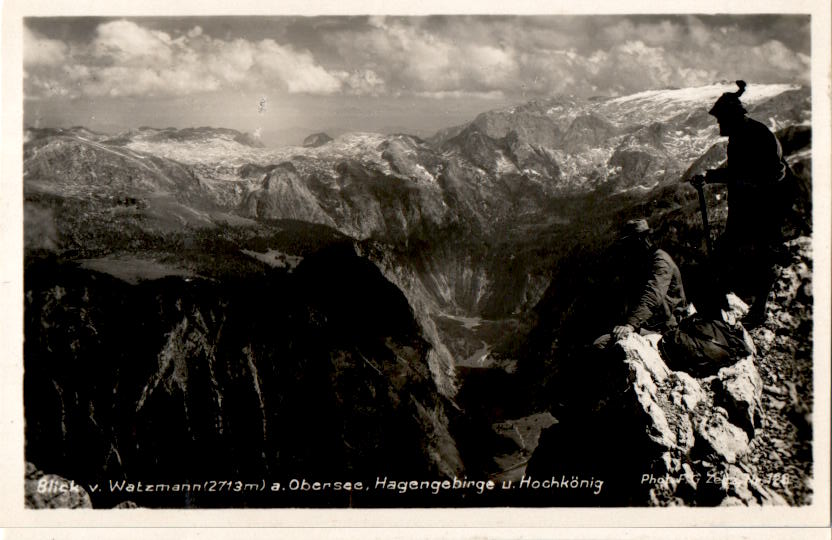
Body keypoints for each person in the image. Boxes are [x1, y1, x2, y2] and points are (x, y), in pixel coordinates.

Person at [690, 80, 790, 324]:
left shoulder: (756, 136)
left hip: (765, 204)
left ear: (731, 116)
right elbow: (738, 172)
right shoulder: (740, 136)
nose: (719, 124)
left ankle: (758, 310)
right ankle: (724, 306)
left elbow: (754, 175)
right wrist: (711, 177)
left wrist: (713, 177)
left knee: (763, 255)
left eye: (720, 119)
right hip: (748, 203)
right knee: (731, 251)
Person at [593, 219, 687, 349]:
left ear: (641, 240)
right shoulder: (644, 262)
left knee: (601, 345)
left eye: (629, 243)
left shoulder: (660, 261)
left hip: (667, 327)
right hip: (650, 325)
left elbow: (653, 296)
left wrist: (630, 325)